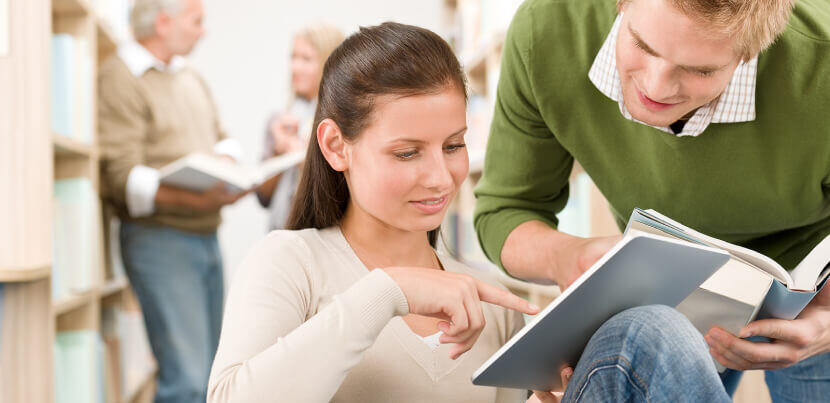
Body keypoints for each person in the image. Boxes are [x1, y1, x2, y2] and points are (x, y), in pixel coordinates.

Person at [474, 0, 830, 400]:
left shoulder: (823, 61)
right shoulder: (547, 30)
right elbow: (504, 211)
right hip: (661, 281)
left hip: (809, 285)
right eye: (643, 45)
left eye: (700, 69)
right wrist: (566, 256)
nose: (656, 87)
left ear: (753, 50)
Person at [98, 0, 246, 402]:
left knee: (215, 374)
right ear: (163, 23)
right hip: (160, 241)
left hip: (204, 237)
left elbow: (222, 134)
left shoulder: (189, 77)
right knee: (187, 381)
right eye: (196, 21)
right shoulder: (120, 77)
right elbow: (121, 177)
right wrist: (194, 200)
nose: (204, 31)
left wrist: (228, 163)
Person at [256, 23, 344, 231]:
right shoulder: (281, 119)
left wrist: (305, 157)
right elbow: (263, 197)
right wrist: (280, 152)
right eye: (293, 57)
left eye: (306, 59)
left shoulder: (344, 120)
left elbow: (341, 192)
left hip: (323, 235)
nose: (295, 67)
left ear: (328, 62)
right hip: (281, 234)